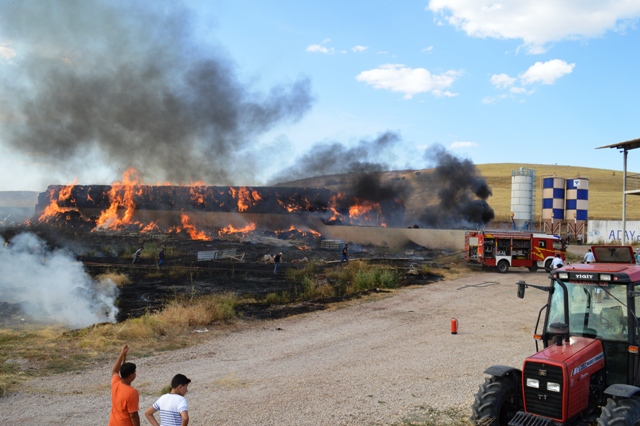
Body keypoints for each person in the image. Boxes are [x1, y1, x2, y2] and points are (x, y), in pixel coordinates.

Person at [109, 344, 140, 426]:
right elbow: (133, 415)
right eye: (134, 372)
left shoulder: (116, 383)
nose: (135, 373)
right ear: (131, 376)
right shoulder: (132, 392)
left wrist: (121, 354)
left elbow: (115, 371)